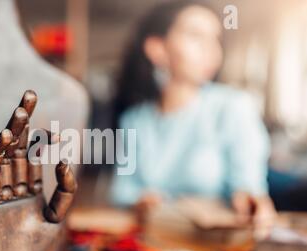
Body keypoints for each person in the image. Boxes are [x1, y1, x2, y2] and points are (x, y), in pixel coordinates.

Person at [110, 0, 276, 236]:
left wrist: (251, 199)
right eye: (196, 36)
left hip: (215, 247)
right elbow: (123, 192)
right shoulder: (134, 120)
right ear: (157, 49)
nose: (211, 49)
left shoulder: (233, 107)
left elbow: (249, 183)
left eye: (215, 38)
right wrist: (142, 202)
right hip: (155, 244)